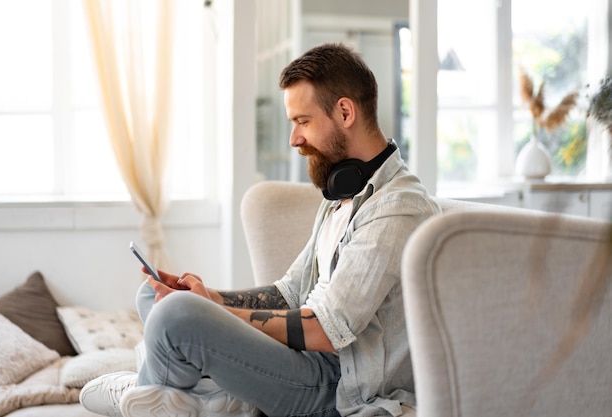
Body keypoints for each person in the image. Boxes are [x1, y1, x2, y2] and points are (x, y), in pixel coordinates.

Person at [80, 42, 441, 417]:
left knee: (176, 316)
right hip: (300, 361)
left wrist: (204, 311)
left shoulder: (398, 206)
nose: (294, 139)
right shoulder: (342, 195)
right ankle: (188, 397)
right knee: (153, 296)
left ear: (345, 111)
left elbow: (327, 329)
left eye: (303, 121)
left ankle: (157, 392)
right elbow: (289, 292)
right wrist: (212, 298)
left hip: (334, 387)